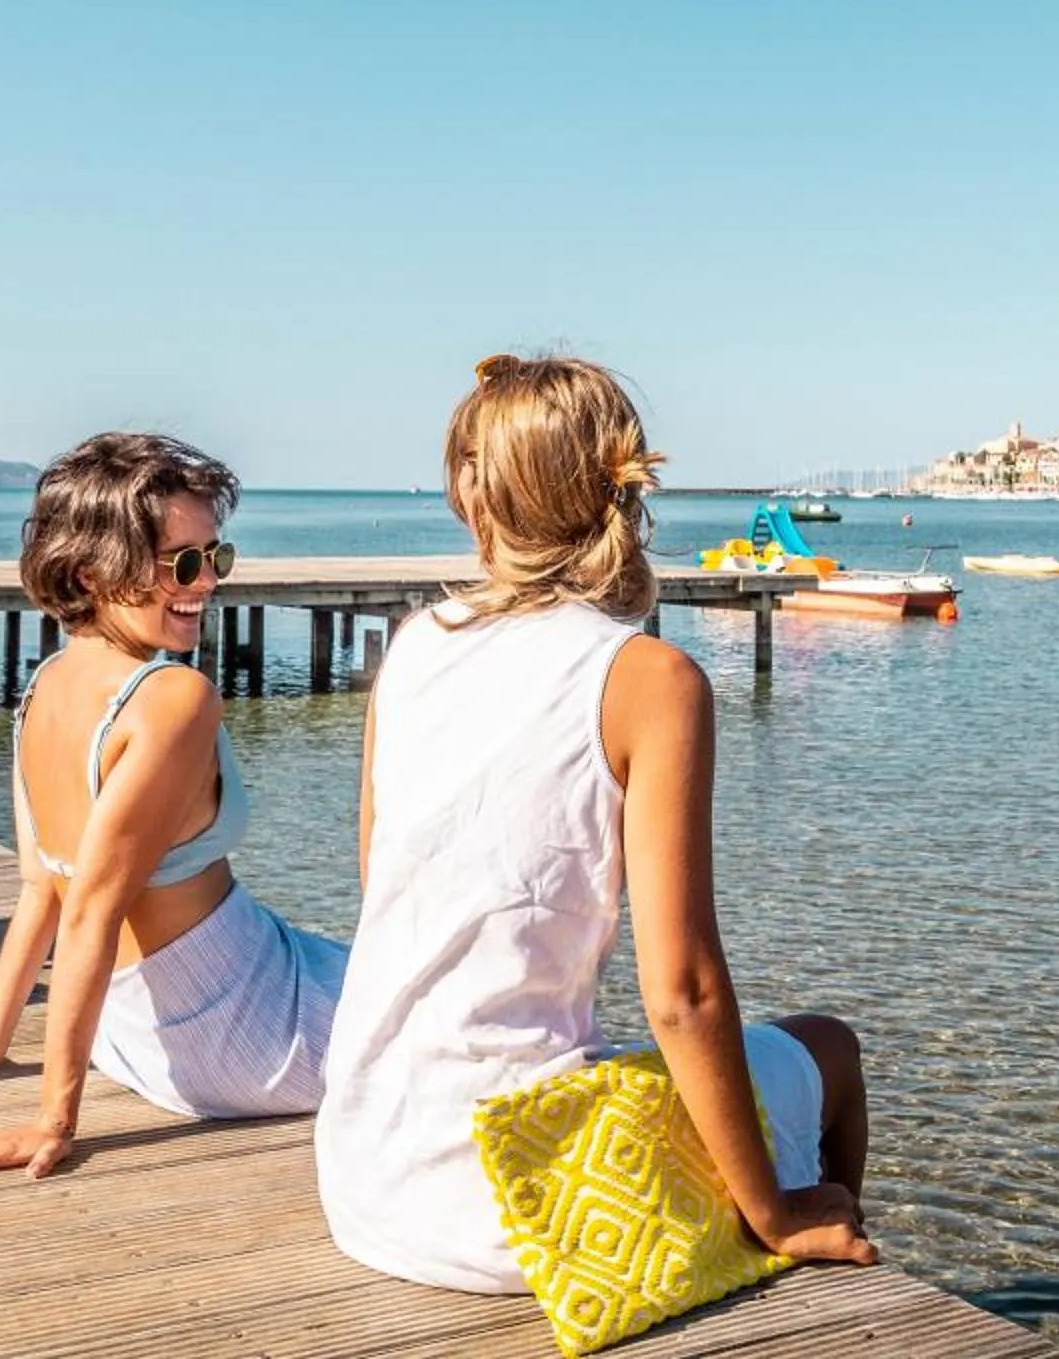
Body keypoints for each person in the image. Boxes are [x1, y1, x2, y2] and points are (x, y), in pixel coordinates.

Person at [313, 355, 876, 1288]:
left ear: (475, 503)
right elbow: (682, 992)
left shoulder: (415, 647)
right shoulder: (645, 680)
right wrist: (770, 1208)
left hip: (366, 1173)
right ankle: (819, 1257)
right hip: (505, 1199)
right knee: (833, 1052)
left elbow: (384, 886)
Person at [0, 432, 345, 1177]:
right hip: (245, 1028)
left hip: (136, 1035)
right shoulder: (172, 700)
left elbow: (41, 888)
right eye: (182, 563)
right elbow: (89, 910)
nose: (206, 582)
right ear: (92, 574)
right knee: (499, 1006)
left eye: (216, 557)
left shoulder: (45, 684)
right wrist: (53, 1121)